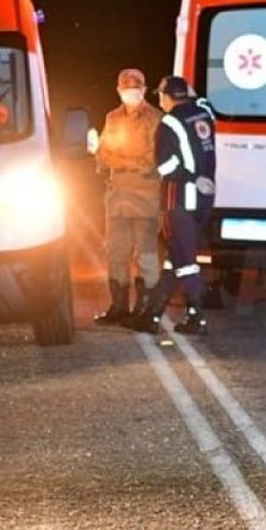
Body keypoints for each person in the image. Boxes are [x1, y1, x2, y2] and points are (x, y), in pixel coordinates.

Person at [122, 75, 217, 336]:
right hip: (204, 198)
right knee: (174, 255)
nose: (160, 101)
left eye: (161, 96)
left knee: (185, 259)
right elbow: (202, 102)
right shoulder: (204, 113)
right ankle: (153, 314)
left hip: (180, 198)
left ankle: (196, 316)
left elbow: (165, 166)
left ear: (167, 97)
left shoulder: (169, 122)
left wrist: (189, 177)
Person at [91, 68, 163, 324]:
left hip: (145, 196)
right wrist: (125, 160)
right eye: (125, 86)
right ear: (119, 90)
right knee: (116, 252)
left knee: (146, 254)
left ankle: (145, 308)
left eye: (135, 86)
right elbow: (102, 155)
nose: (130, 91)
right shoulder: (112, 118)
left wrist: (121, 159)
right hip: (118, 196)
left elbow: (152, 160)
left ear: (144, 88)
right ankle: (118, 307)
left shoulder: (155, 118)